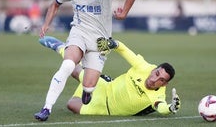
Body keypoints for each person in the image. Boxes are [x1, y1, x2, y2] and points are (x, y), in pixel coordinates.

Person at [35, 0, 138, 121]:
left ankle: (87, 91)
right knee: (68, 65)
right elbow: (55, 4)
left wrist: (124, 12)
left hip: (101, 41)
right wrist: (46, 24)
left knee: (89, 85)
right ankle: (47, 108)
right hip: (79, 32)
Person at [38, 36, 181, 117]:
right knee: (75, 70)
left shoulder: (158, 96)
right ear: (154, 69)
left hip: (105, 109)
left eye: (161, 80)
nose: (155, 79)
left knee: (71, 105)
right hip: (105, 87)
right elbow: (124, 50)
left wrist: (170, 108)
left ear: (164, 85)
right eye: (157, 73)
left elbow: (160, 107)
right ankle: (61, 47)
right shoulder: (143, 66)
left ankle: (88, 87)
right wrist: (114, 44)